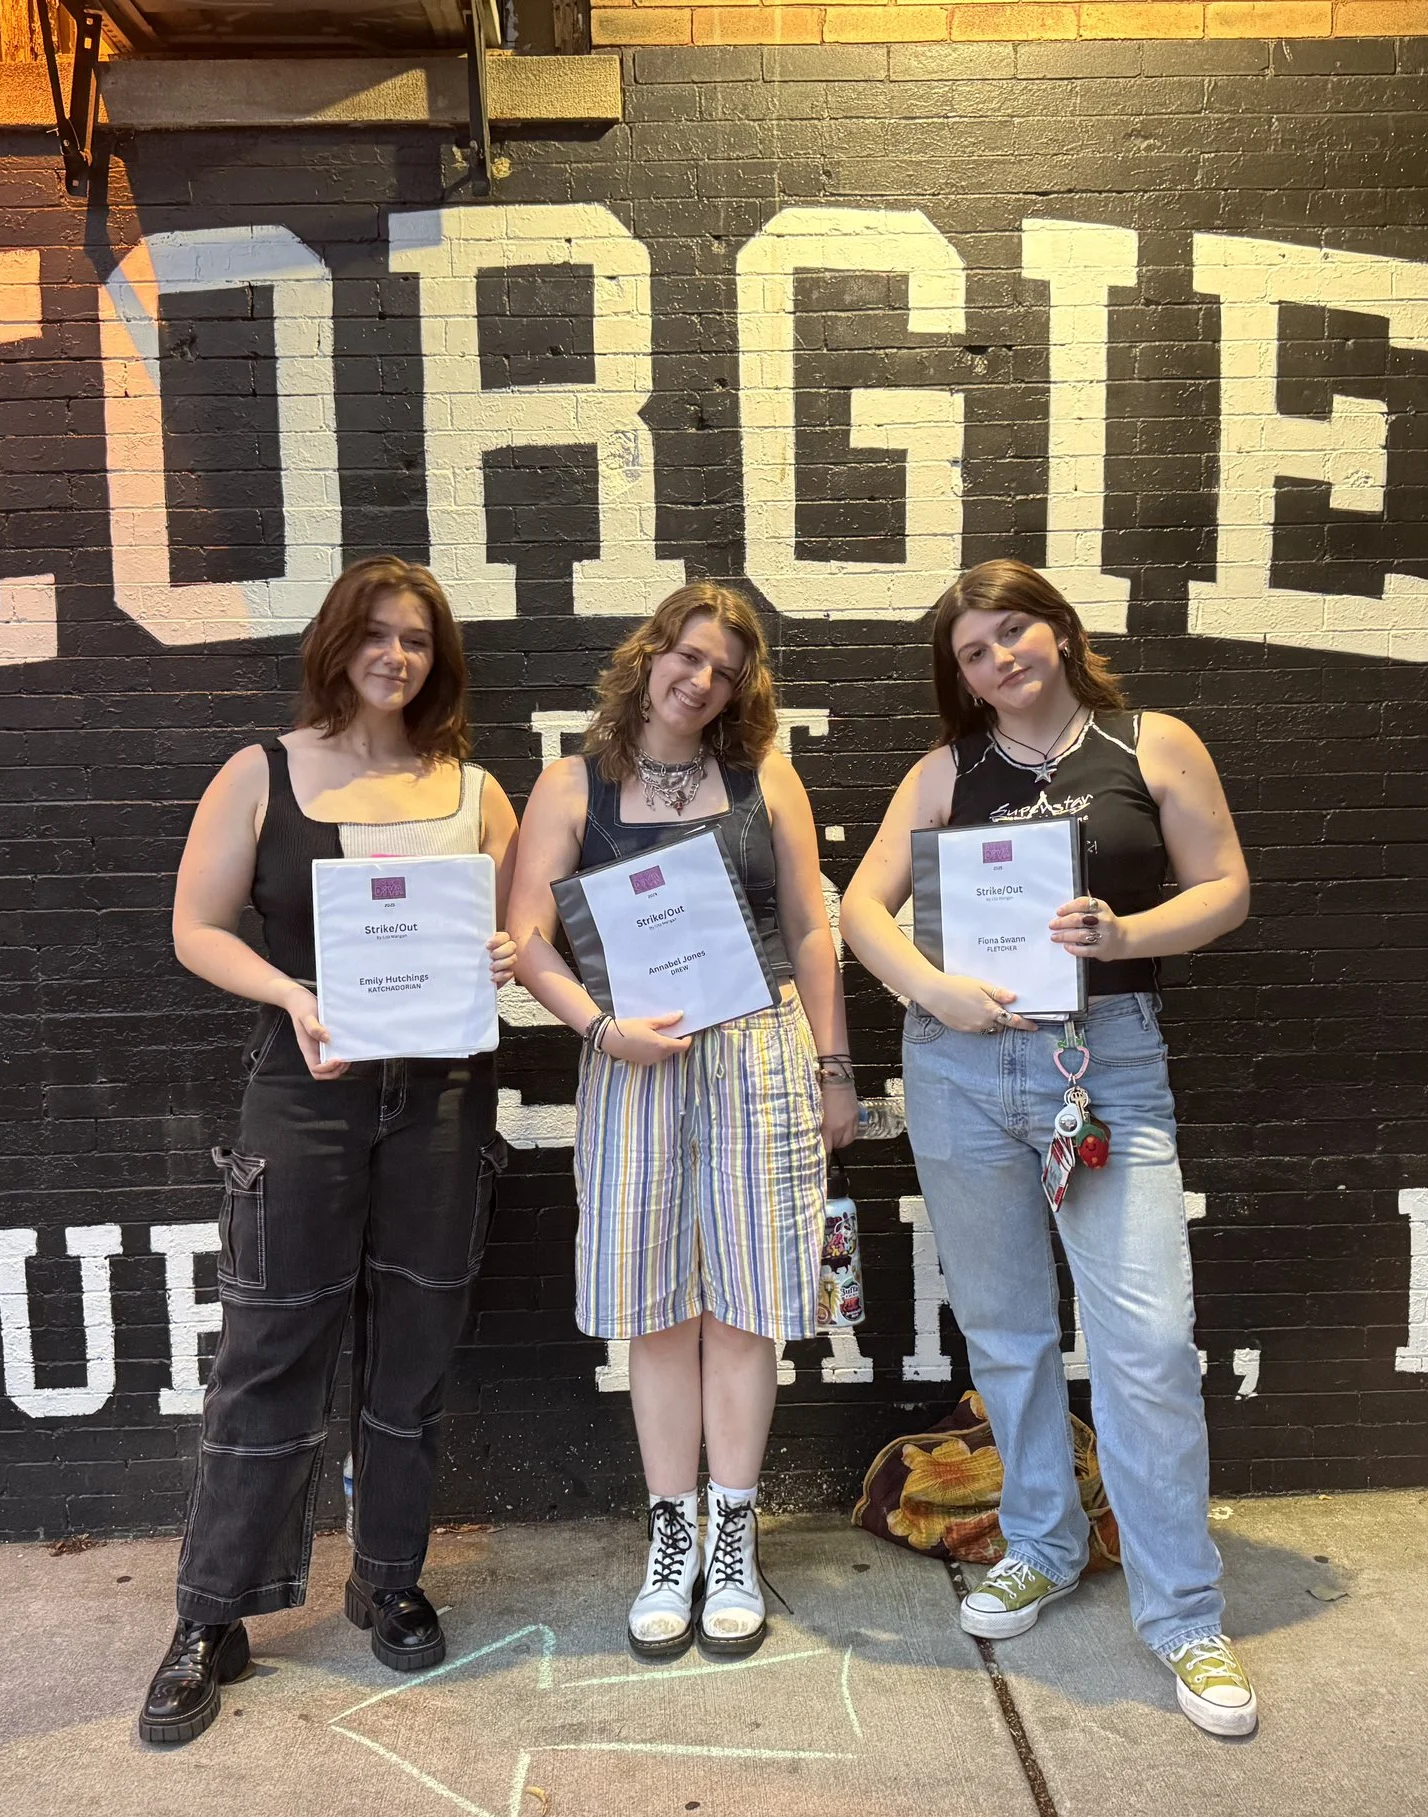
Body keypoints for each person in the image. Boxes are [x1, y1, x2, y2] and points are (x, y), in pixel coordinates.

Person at [838, 559, 1258, 1738]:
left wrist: (1125, 931)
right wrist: (933, 989)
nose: (997, 660)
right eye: (973, 652)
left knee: (1147, 1343)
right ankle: (1041, 1542)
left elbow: (1223, 888)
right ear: (958, 677)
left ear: (1059, 631)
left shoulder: (1149, 746)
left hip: (1105, 1057)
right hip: (961, 1065)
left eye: (1011, 632)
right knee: (1008, 1329)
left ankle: (1183, 1615)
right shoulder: (943, 772)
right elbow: (861, 909)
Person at [139, 556, 519, 1746]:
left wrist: (513, 953)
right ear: (337, 642)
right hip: (304, 1093)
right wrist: (294, 996)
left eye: (415, 640)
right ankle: (212, 1612)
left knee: (410, 1356)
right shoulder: (262, 774)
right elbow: (195, 928)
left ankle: (388, 1577)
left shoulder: (472, 788)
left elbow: (523, 932)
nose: (394, 656)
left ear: (435, 659)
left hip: (441, 1097)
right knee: (269, 1349)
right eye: (376, 635)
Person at [509, 581, 858, 1661]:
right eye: (685, 655)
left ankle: (735, 1532)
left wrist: (832, 1063)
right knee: (655, 1305)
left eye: (722, 668)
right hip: (633, 1062)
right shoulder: (571, 784)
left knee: (749, 1299)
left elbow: (809, 927)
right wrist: (601, 1029)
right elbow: (525, 938)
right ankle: (673, 1536)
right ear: (648, 654)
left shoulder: (767, 780)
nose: (697, 680)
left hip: (758, 1046)